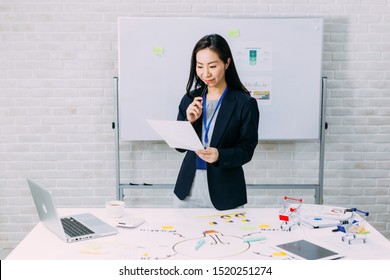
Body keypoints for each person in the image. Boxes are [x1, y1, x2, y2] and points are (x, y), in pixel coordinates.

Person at [174, 34, 260, 211]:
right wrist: (189, 123)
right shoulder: (190, 99)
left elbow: (246, 150)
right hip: (187, 191)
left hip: (226, 193)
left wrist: (220, 155)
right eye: (200, 66)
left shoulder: (245, 103)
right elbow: (179, 147)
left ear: (227, 63)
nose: (206, 73)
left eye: (212, 66)